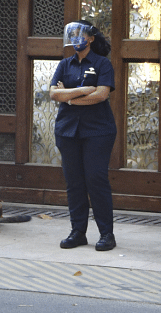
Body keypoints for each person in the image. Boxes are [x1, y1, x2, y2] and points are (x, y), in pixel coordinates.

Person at [49, 20, 117, 251]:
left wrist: (67, 95)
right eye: (73, 34)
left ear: (90, 38)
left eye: (81, 35)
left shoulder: (102, 64)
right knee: (74, 182)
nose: (76, 38)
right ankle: (78, 231)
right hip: (68, 130)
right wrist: (79, 92)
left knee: (96, 180)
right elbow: (53, 94)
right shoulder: (65, 64)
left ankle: (106, 233)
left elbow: (101, 95)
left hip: (98, 130)